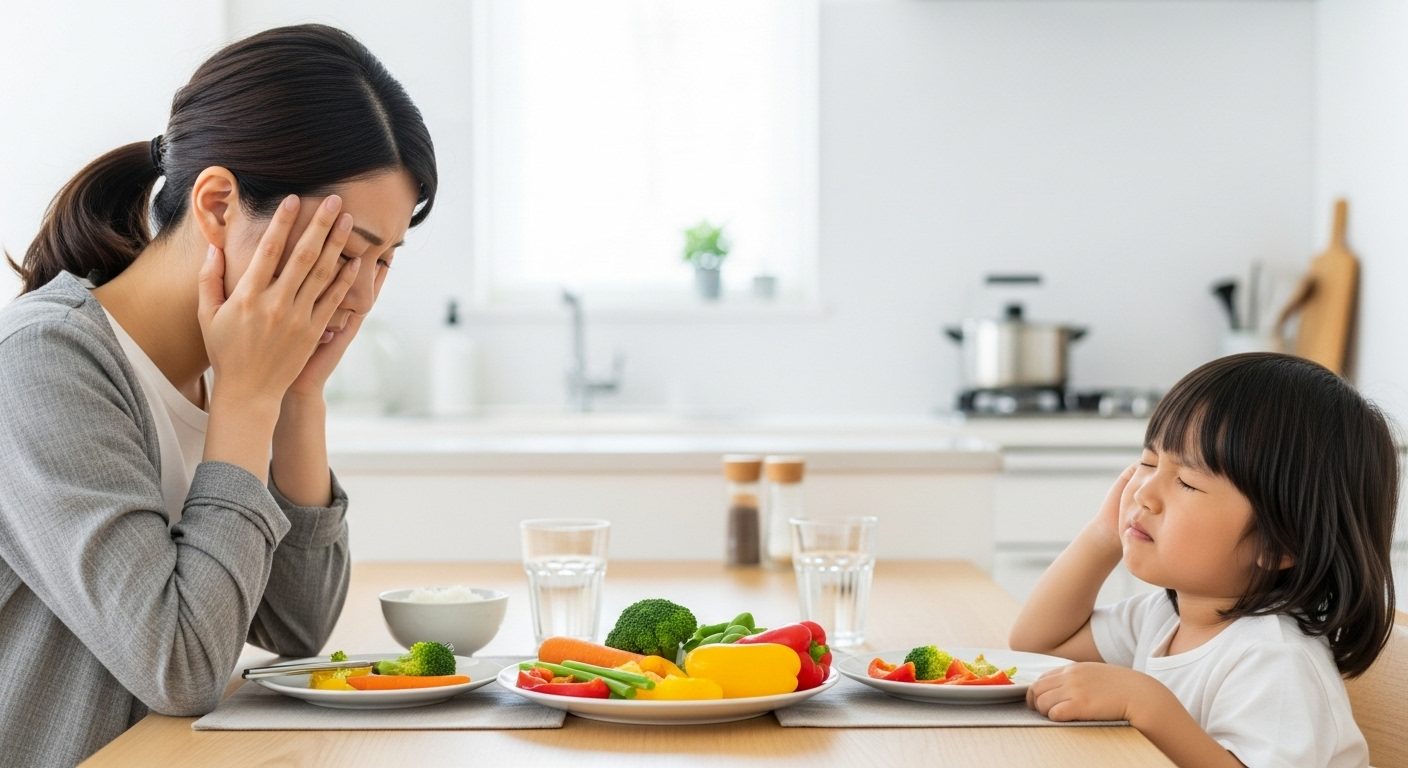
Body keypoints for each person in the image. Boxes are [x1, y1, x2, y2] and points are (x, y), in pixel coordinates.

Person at [0, 24, 436, 765]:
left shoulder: (233, 367)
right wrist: (247, 401)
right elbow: (181, 666)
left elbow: (298, 629)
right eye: (346, 249)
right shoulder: (44, 363)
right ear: (219, 204)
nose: (361, 292)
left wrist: (299, 397)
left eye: (385, 260)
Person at [1009, 352, 1398, 767]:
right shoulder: (1164, 617)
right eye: (1148, 462)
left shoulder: (1276, 658)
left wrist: (1147, 705)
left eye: (1187, 482)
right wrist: (1103, 534)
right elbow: (1038, 643)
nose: (1143, 492)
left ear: (1278, 544)